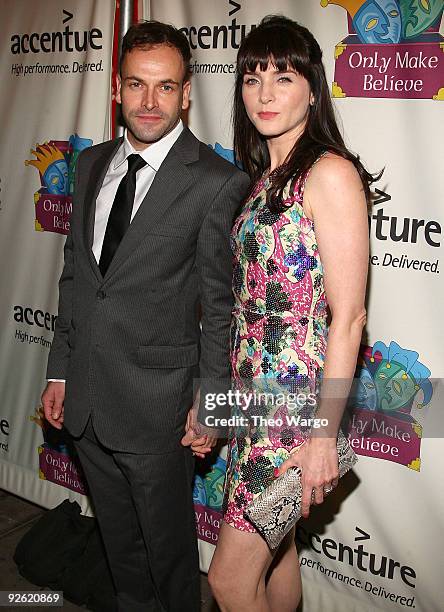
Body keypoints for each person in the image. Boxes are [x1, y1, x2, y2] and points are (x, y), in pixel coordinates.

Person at [41, 20, 249, 612]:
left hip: (160, 410)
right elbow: (76, 280)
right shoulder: (89, 166)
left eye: (164, 87)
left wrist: (210, 405)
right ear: (116, 89)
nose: (149, 102)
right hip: (84, 400)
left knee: (170, 560)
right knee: (120, 555)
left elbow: (223, 306)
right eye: (136, 85)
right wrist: (59, 370)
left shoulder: (216, 181)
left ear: (186, 93)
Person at [205, 15, 377, 612]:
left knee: (228, 580)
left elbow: (349, 316)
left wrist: (324, 433)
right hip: (256, 400)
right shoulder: (263, 181)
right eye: (252, 79)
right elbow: (250, 312)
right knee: (277, 561)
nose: (266, 93)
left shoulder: (327, 173)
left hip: (296, 411)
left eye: (283, 76)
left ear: (312, 86)